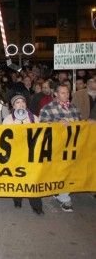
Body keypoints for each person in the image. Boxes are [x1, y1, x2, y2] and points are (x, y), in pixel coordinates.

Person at [39, 84, 81, 212]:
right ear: (56, 94)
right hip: (56, 146)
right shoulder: (48, 108)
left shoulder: (74, 108)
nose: (65, 95)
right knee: (58, 170)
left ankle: (63, 196)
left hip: (71, 146)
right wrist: (56, 125)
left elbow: (79, 125)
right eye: (62, 93)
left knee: (68, 170)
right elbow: (42, 127)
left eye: (67, 93)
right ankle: (61, 194)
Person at [3, 94, 44, 215]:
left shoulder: (34, 118)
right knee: (17, 178)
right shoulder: (8, 120)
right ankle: (17, 199)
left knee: (33, 180)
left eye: (23, 102)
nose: (21, 104)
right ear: (13, 106)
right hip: (15, 155)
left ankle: (36, 206)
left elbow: (42, 134)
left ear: (26, 104)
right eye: (17, 103)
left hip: (31, 155)